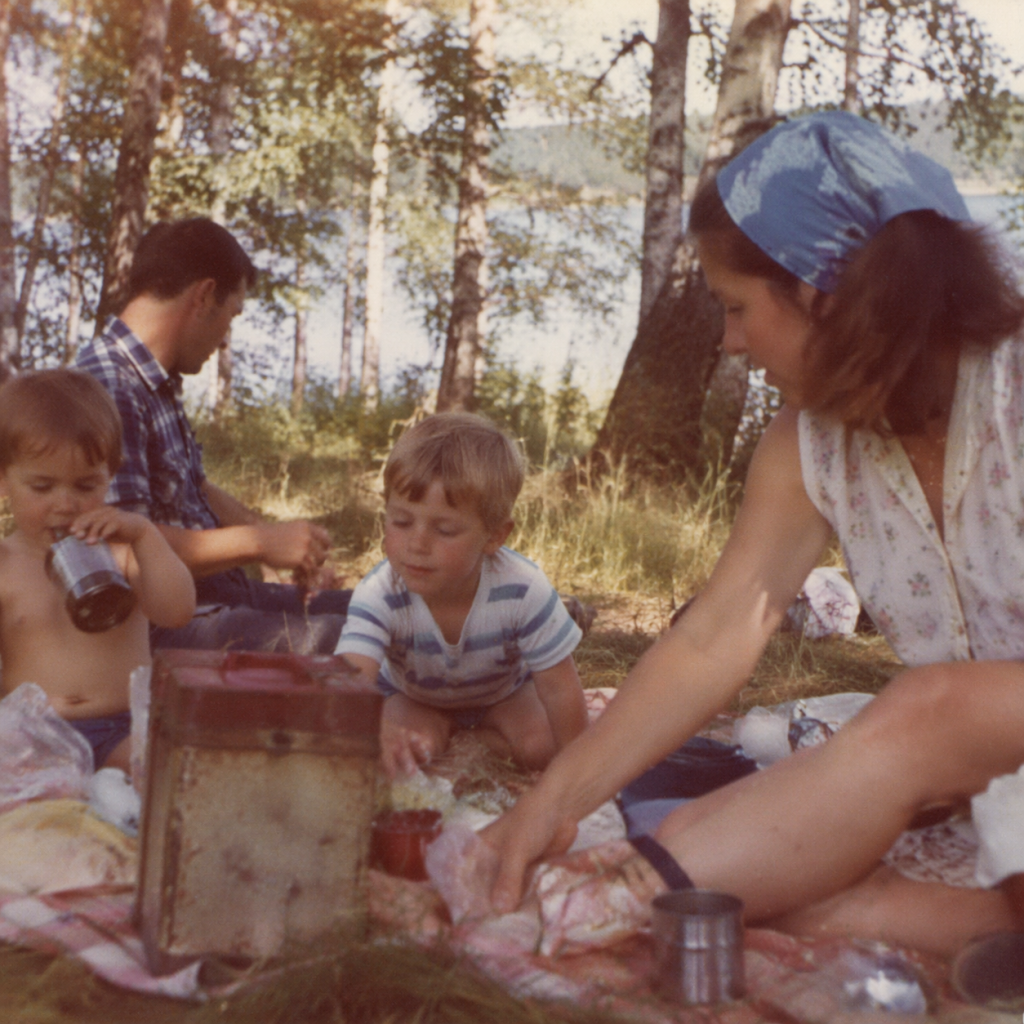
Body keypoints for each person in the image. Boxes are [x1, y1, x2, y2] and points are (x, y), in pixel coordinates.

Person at [482, 111, 1024, 957]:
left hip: (977, 745)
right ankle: (946, 921)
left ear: (823, 292)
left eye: (737, 308)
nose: (731, 343)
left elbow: (954, 718)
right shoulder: (811, 438)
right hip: (997, 779)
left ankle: (633, 896)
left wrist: (948, 739)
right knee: (791, 841)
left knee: (923, 714)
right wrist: (549, 805)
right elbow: (718, 632)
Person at [75, 218, 351, 654]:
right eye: (232, 314)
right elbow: (120, 550)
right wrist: (259, 544)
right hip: (162, 625)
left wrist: (279, 542)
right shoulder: (108, 385)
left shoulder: (153, 380)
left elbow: (194, 486)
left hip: (219, 596)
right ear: (204, 296)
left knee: (376, 612)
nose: (226, 337)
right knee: (354, 641)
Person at [336, 412, 589, 778]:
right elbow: (349, 676)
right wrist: (373, 727)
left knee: (545, 745)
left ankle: (476, 743)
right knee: (403, 751)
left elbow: (560, 689)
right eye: (402, 521)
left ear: (494, 536)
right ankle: (443, 735)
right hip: (414, 698)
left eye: (445, 529)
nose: (417, 543)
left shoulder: (522, 587)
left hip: (503, 697)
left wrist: (579, 771)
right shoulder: (379, 592)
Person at [0, 369, 195, 772]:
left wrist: (145, 536)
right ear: (4, 479)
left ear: (111, 474)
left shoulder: (122, 553)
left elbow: (176, 611)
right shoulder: (5, 564)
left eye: (86, 485)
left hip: (121, 728)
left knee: (159, 776)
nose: (66, 503)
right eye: (42, 487)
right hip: (32, 734)